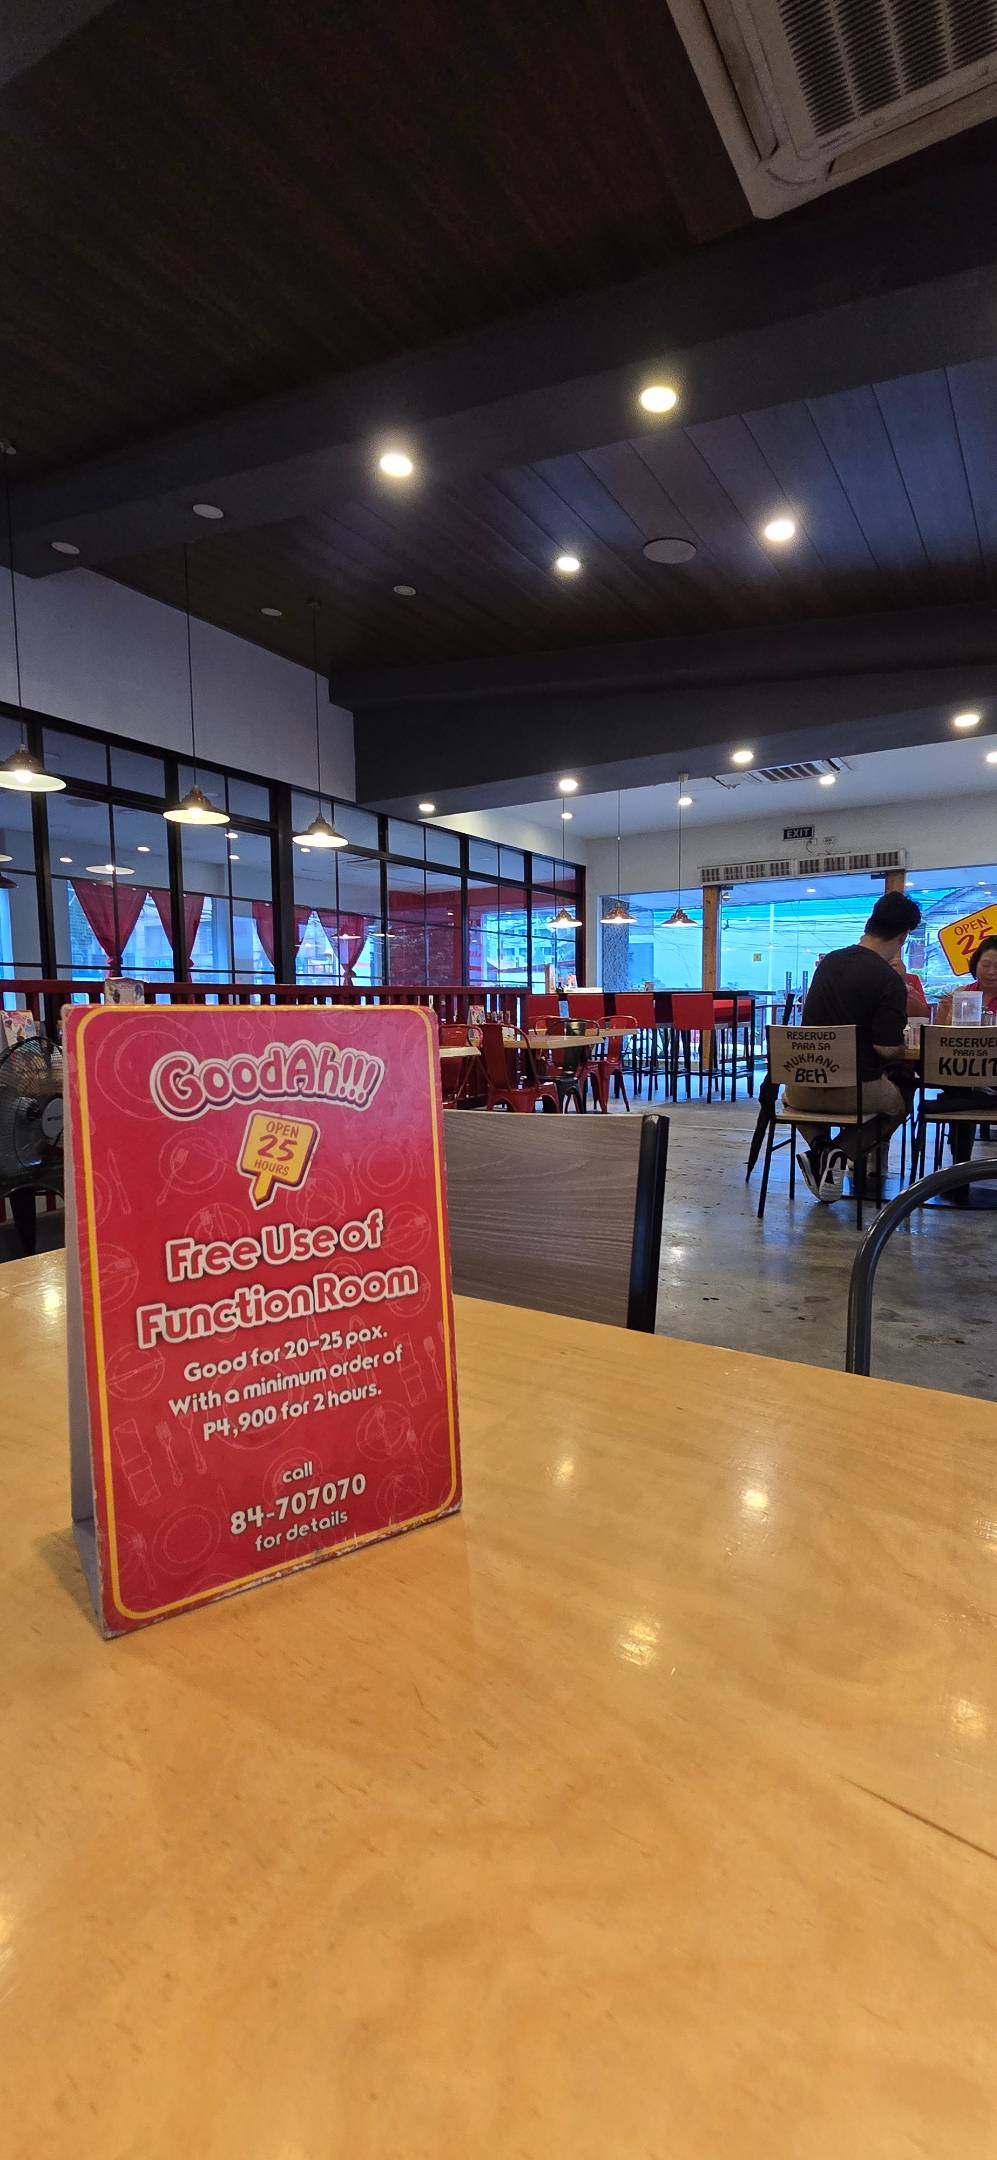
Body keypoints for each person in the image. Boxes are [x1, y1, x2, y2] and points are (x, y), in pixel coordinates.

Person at [784, 891, 922, 1203]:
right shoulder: (888, 979)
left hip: (802, 1088)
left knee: (789, 1100)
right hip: (855, 1092)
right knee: (899, 1105)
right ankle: (839, 1152)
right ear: (903, 936)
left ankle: (819, 1148)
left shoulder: (828, 963)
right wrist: (904, 1047)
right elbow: (886, 1049)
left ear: (869, 923)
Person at [931, 934, 997, 1182]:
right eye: (985, 964)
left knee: (960, 1095)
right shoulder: (962, 994)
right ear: (975, 964)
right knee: (959, 1091)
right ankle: (960, 1168)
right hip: (961, 1071)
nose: (991, 972)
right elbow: (940, 1037)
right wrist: (945, 1013)